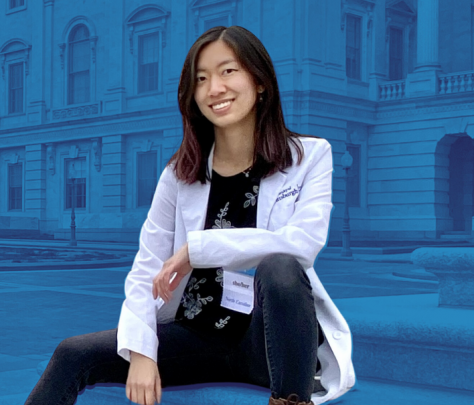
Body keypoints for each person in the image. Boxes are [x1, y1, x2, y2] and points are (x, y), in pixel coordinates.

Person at [25, 25, 355, 405]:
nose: (214, 88)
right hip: (196, 336)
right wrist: (143, 351)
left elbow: (302, 245)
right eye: (201, 79)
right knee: (72, 353)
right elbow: (147, 269)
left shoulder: (309, 156)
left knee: (279, 266)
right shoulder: (180, 173)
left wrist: (194, 250)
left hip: (268, 343)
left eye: (228, 71)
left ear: (260, 81)